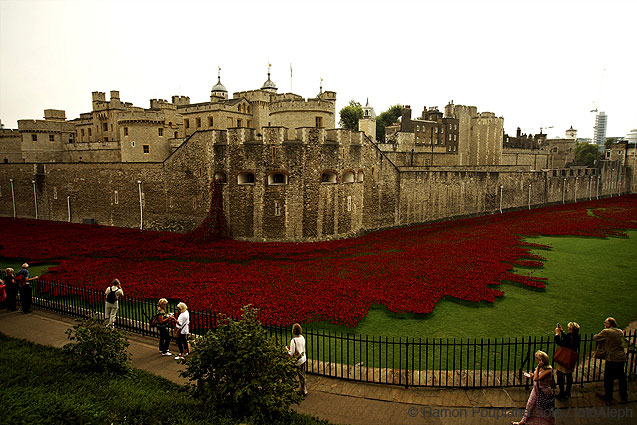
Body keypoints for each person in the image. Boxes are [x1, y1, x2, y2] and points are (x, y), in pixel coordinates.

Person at [512, 350, 555, 425]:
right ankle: (523, 421)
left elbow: (537, 378)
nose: (536, 361)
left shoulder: (548, 370)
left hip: (543, 391)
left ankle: (547, 422)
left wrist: (538, 367)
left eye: (537, 359)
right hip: (536, 390)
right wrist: (531, 375)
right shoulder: (541, 368)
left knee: (544, 408)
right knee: (530, 405)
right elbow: (535, 376)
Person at [593, 317, 628, 403]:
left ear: (609, 324)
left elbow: (595, 337)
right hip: (621, 357)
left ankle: (608, 396)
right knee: (621, 377)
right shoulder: (620, 331)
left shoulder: (606, 332)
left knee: (609, 378)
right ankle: (624, 395)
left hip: (612, 358)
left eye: (605, 323)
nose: (604, 324)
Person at [554, 322, 581, 400]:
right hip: (572, 358)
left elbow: (560, 343)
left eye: (569, 328)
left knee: (560, 374)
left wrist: (557, 334)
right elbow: (569, 338)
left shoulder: (569, 337)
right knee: (569, 375)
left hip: (565, 357)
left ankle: (561, 393)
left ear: (571, 329)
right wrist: (562, 331)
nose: (568, 329)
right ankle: (567, 392)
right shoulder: (577, 336)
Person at [287, 323, 308, 396]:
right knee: (302, 374)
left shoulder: (293, 340)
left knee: (292, 374)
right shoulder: (302, 337)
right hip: (303, 358)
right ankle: (304, 390)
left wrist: (287, 349)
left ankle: (292, 389)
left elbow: (291, 353)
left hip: (297, 360)